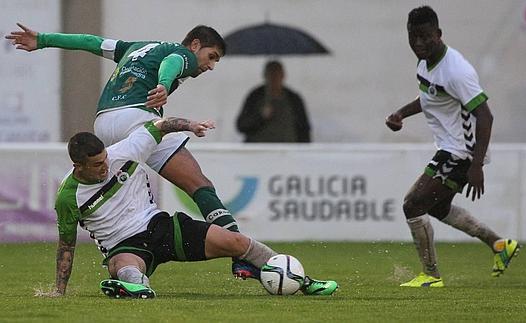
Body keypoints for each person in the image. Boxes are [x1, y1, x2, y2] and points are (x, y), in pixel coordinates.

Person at [6, 23, 254, 278]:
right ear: (195, 45)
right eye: (211, 56)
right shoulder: (182, 54)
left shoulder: (134, 48)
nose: (210, 65)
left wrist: (44, 39)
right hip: (137, 118)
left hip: (104, 122)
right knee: (200, 185)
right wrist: (164, 85)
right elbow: (173, 62)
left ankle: (123, 254)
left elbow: (90, 41)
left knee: (120, 191)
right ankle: (242, 255)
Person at [49, 117, 338, 298]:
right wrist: (59, 291)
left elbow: (160, 126)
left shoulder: (123, 152)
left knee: (237, 241)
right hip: (124, 244)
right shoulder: (67, 197)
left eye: (105, 160)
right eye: (97, 165)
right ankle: (134, 287)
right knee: (124, 267)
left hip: (160, 225)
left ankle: (303, 282)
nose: (105, 167)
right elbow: (66, 246)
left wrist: (190, 126)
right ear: (78, 165)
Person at [385, 6, 520, 287]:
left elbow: (485, 115)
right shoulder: (425, 63)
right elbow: (431, 96)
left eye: (425, 37)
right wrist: (401, 114)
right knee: (436, 208)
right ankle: (499, 245)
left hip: (461, 153)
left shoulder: (457, 71)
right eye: (413, 37)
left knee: (413, 204)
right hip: (450, 149)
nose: (419, 44)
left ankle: (431, 276)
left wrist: (476, 164)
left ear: (439, 34)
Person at [236, 60, 311, 142]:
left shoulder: (294, 99)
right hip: (259, 150)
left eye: (277, 74)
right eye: (271, 74)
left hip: (288, 150)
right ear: (265, 76)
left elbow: (304, 128)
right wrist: (260, 117)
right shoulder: (255, 97)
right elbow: (241, 125)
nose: (274, 78)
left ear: (283, 76)